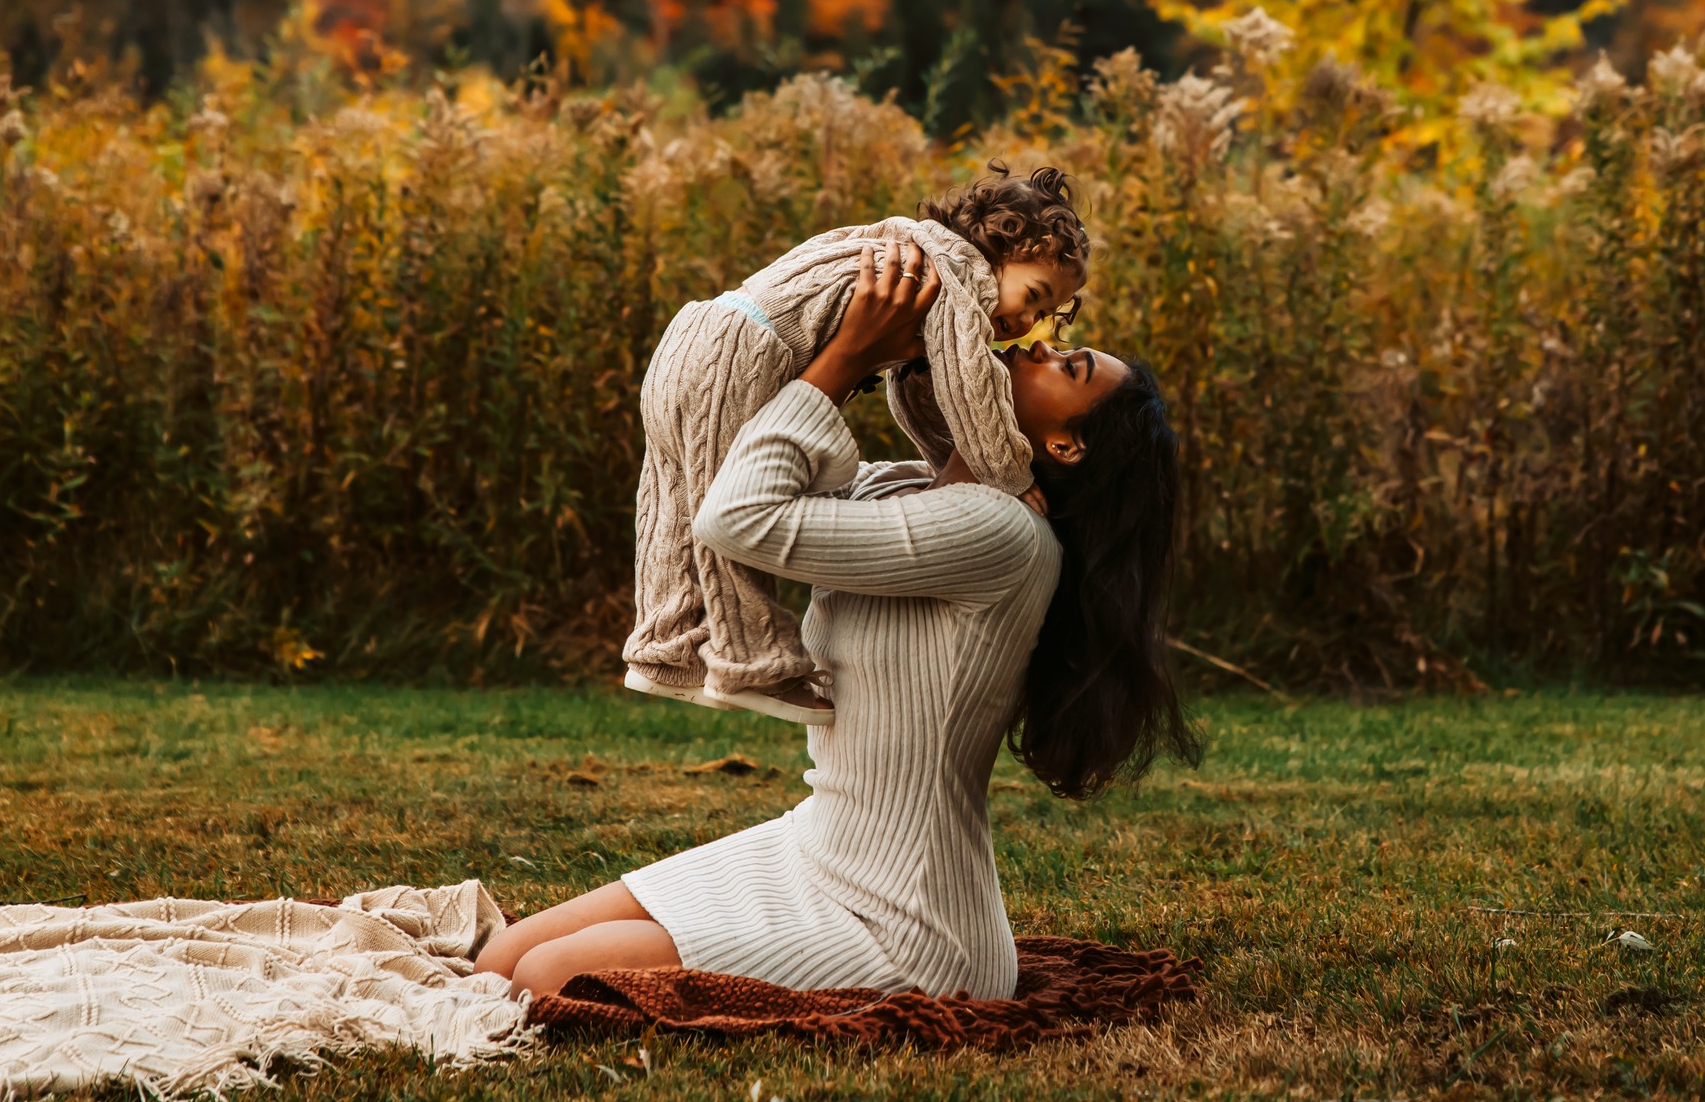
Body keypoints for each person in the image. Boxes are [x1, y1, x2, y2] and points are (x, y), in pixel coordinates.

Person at [477, 238, 1199, 1000]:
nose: (1037, 344)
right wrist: (869, 347)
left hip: (909, 924)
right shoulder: (907, 488)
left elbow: (737, 517)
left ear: (1065, 445)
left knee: (546, 976)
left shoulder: (1002, 534)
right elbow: (743, 474)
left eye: (1067, 365)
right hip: (811, 847)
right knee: (502, 958)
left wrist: (846, 355)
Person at [623, 163, 1090, 726]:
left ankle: (665, 648)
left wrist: (945, 467)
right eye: (1034, 296)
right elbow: (970, 385)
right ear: (1000, 248)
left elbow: (914, 388)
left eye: (1043, 314)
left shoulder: (912, 249)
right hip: (740, 356)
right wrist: (1009, 475)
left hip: (693, 336)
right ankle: (752, 664)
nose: (1028, 323)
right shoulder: (959, 276)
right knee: (719, 515)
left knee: (674, 497)